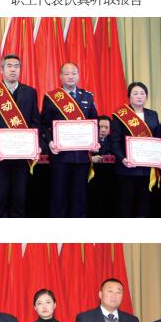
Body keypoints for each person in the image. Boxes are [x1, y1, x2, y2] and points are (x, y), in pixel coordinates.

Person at [40, 63, 100, 218]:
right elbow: (44, 124)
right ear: (60, 77)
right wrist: (50, 142)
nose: (70, 76)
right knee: (58, 195)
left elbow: (94, 122)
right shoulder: (51, 97)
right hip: (60, 156)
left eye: (74, 73)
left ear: (78, 75)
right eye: (67, 74)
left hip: (81, 157)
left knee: (79, 196)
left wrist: (95, 141)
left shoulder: (87, 96)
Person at [0, 55, 40, 218]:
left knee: (19, 195)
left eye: (16, 66)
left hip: (22, 154)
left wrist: (35, 144)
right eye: (9, 66)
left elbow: (35, 121)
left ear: (20, 69)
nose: (13, 69)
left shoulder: (30, 92)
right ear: (2, 70)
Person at [108, 82, 161, 218]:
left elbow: (158, 139)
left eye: (142, 93)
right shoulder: (120, 115)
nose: (139, 96)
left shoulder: (152, 114)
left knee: (144, 201)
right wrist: (122, 159)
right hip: (127, 166)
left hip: (147, 167)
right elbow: (114, 141)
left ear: (146, 96)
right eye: (135, 93)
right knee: (126, 201)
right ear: (129, 96)